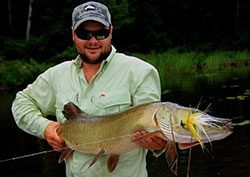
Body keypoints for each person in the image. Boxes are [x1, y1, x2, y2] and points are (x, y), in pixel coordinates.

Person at [12, 1, 167, 177]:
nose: (93, 41)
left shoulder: (141, 72)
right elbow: (21, 103)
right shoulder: (57, 75)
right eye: (84, 33)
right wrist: (45, 128)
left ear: (110, 32)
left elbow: (155, 132)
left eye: (100, 33)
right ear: (73, 34)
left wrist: (158, 142)